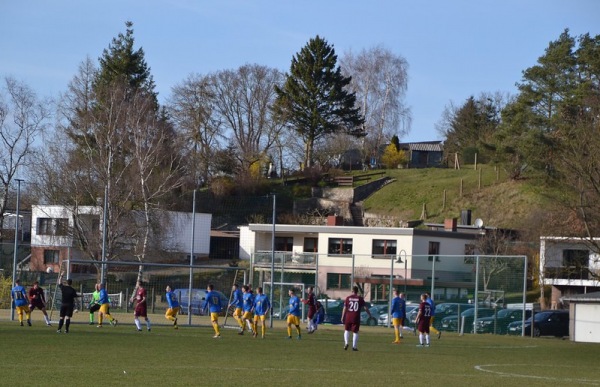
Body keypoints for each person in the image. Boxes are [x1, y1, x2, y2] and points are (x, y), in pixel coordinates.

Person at [341, 285, 371, 351]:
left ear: (352, 291)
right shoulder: (360, 299)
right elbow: (365, 308)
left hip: (348, 316)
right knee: (355, 332)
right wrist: (369, 314)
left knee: (346, 330)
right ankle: (354, 347)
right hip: (356, 317)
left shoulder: (348, 298)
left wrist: (342, 316)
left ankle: (346, 343)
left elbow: (345, 308)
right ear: (357, 291)